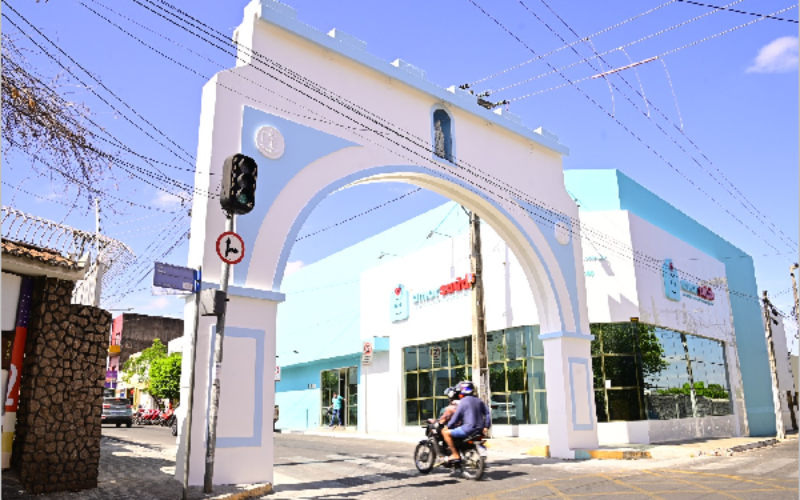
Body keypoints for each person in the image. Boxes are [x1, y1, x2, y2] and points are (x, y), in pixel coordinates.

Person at [441, 381, 491, 462]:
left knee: (445, 433)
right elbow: (487, 413)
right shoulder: (479, 401)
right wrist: (486, 426)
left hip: (467, 429)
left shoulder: (463, 402)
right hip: (480, 429)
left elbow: (456, 417)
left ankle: (455, 454)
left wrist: (448, 426)